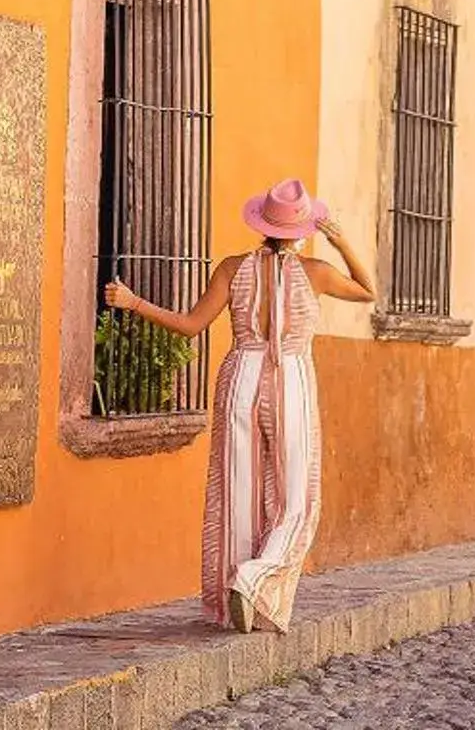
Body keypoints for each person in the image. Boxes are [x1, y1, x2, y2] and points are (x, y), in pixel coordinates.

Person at [103, 178, 375, 633]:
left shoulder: (232, 268)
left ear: (262, 225)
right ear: (303, 229)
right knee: (297, 498)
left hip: (240, 378)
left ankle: (234, 593)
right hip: (291, 379)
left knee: (236, 491)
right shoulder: (317, 272)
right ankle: (255, 578)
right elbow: (367, 290)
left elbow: (191, 326)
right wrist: (341, 238)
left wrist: (134, 303)